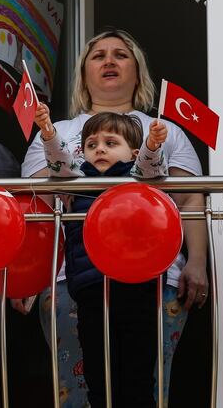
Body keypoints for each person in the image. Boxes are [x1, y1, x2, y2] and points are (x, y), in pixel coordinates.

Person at [19, 29, 208, 407]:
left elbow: (191, 199)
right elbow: (34, 202)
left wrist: (198, 262)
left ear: (138, 73)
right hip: (68, 281)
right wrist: (25, 272)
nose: (109, 61)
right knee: (80, 394)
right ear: (83, 75)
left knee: (147, 388)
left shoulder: (164, 131)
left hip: (158, 278)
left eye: (121, 55)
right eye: (98, 55)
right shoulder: (60, 132)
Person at [35, 110, 168, 407]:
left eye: (110, 142)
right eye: (92, 144)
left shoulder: (136, 178)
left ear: (131, 152)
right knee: (99, 373)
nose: (100, 149)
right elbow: (59, 160)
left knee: (138, 371)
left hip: (137, 285)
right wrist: (47, 131)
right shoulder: (78, 179)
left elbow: (149, 166)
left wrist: (153, 146)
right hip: (92, 289)